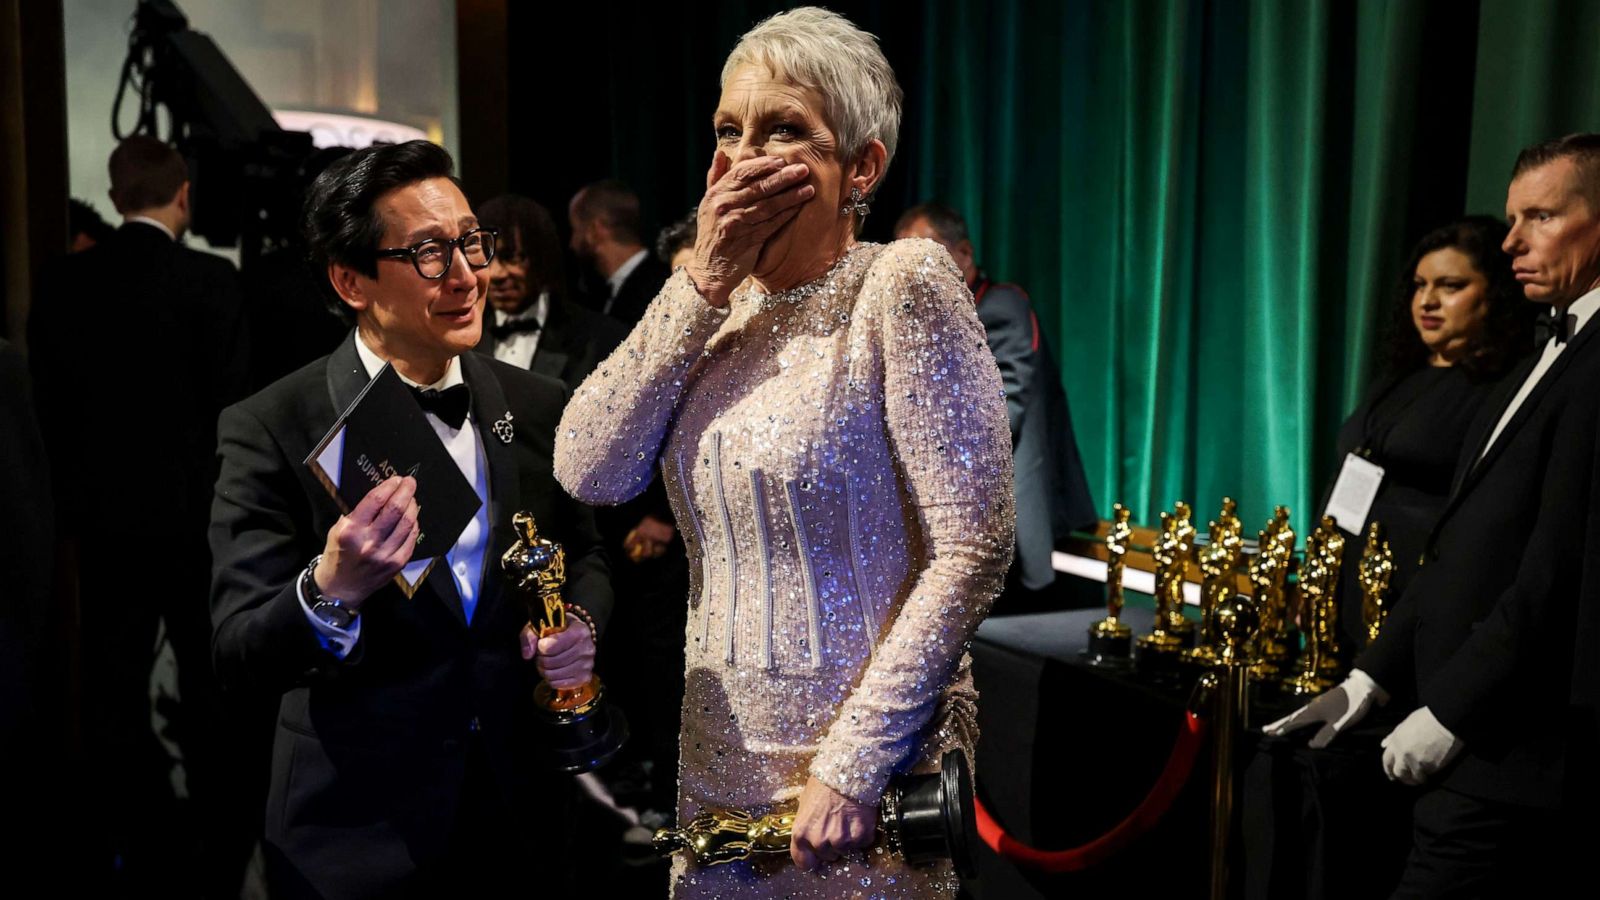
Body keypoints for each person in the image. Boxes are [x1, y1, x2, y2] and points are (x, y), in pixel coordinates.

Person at [555, 8, 1015, 897]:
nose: (745, 157)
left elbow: (973, 548)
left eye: (786, 130)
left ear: (862, 167)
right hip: (715, 765)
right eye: (730, 129)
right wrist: (700, 281)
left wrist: (856, 761)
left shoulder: (901, 284)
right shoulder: (710, 311)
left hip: (858, 784)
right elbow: (590, 468)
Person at [208, 140, 611, 898]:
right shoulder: (274, 427)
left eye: (469, 242)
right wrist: (332, 588)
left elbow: (584, 553)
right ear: (350, 279)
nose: (466, 274)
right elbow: (238, 653)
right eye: (429, 253)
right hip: (356, 835)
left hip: (519, 818)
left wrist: (580, 626)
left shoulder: (537, 406)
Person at [1268, 134, 1600, 896]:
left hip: (1507, 749)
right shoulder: (1546, 351)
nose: (1512, 238)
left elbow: (1556, 571)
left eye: (1541, 216)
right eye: (1512, 218)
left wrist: (1450, 712)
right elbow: (1463, 547)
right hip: (1449, 719)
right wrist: (1368, 681)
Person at [30, 134, 251, 894]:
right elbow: (232, 407)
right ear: (184, 194)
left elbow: (48, 411)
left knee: (113, 685)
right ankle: (220, 837)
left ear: (115, 193)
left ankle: (124, 838)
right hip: (194, 521)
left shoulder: (62, 283)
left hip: (103, 522)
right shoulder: (212, 281)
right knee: (207, 681)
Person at [1320, 216, 1535, 656]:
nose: (1428, 301)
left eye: (1451, 286)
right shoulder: (1403, 374)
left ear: (1493, 295)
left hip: (1420, 607)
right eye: (1420, 285)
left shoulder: (1502, 388)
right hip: (1346, 592)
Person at [894, 202, 1096, 606]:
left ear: (964, 254)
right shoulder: (916, 318)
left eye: (922, 252)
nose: (910, 269)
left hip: (1005, 526)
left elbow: (1000, 415)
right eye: (900, 257)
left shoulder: (1001, 307)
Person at [476, 193, 627, 389]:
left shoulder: (601, 338)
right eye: (485, 258)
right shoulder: (462, 342)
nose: (495, 274)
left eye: (511, 257)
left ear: (541, 257)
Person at [568, 179, 672, 325]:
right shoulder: (605, 294)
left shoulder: (659, 289)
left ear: (594, 230)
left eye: (576, 230)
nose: (572, 243)